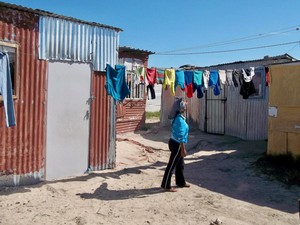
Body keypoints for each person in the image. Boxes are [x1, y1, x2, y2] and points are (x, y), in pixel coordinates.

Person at [161, 97, 190, 192]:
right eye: (184, 106)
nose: (185, 107)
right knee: (172, 165)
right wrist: (183, 148)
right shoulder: (179, 120)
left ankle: (180, 182)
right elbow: (181, 136)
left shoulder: (178, 117)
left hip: (174, 142)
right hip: (177, 144)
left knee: (180, 164)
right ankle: (166, 185)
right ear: (180, 108)